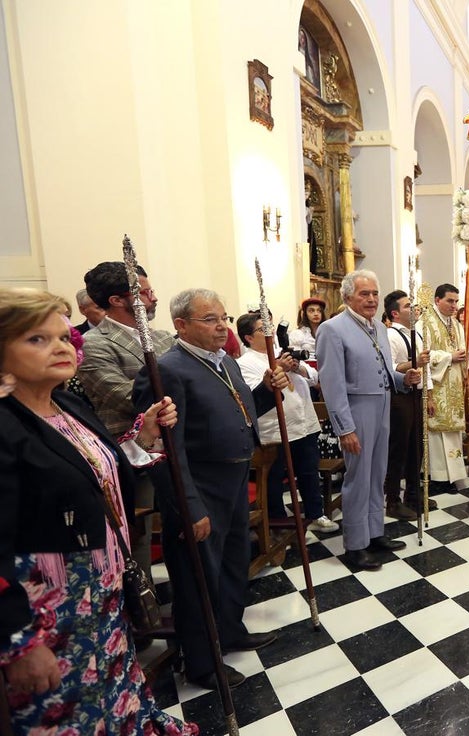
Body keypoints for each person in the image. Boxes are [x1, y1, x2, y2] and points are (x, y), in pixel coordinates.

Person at [0, 288, 194, 734]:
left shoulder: (66, 405)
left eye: (63, 337)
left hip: (100, 589)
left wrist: (142, 437)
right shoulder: (5, 425)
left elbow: (96, 474)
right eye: (36, 339)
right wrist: (19, 642)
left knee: (109, 697)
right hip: (48, 605)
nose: (61, 347)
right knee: (68, 710)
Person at [133, 288, 287, 690]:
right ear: (181, 325)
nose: (222, 326)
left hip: (234, 478)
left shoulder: (224, 362)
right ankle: (201, 662)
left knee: (234, 560)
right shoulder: (168, 369)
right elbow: (166, 449)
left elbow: (241, 412)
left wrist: (268, 390)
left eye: (223, 317)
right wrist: (190, 506)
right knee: (198, 572)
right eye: (210, 319)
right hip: (198, 485)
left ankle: (230, 630)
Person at [79, 261, 176, 592]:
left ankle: (190, 596)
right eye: (145, 293)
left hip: (180, 446)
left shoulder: (163, 338)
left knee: (189, 524)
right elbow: (126, 398)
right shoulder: (95, 343)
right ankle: (144, 608)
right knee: (140, 534)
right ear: (119, 300)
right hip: (136, 452)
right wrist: (174, 396)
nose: (152, 299)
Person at [316, 271, 419, 571]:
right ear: (347, 297)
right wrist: (344, 427)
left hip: (383, 407)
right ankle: (355, 544)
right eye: (364, 294)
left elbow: (385, 371)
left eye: (374, 293)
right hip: (357, 412)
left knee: (378, 474)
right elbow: (332, 383)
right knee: (359, 479)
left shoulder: (378, 327)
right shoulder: (332, 329)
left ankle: (375, 534)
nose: (372, 299)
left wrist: (404, 379)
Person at [235, 313, 338, 534]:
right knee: (273, 479)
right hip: (275, 431)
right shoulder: (244, 363)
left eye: (270, 326)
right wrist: (280, 368)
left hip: (304, 423)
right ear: (248, 337)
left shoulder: (282, 353)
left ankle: (316, 513)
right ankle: (278, 523)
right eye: (263, 328)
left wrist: (296, 367)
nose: (270, 331)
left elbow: (313, 376)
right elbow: (257, 395)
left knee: (309, 471)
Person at [383, 289, 433, 521]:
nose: (413, 309)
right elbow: (389, 369)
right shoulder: (390, 336)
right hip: (400, 397)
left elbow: (426, 369)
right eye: (407, 306)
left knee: (418, 446)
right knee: (399, 449)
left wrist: (429, 395)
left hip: (419, 395)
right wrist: (414, 362)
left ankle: (413, 493)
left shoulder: (417, 334)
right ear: (395, 313)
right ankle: (392, 499)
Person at [418, 284, 469, 491]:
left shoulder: (455, 324)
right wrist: (450, 357)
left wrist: (464, 363)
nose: (454, 305)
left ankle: (453, 475)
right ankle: (437, 478)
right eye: (450, 301)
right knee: (436, 434)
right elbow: (424, 355)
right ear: (437, 300)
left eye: (456, 301)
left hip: (454, 386)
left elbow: (462, 350)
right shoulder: (425, 323)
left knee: (452, 433)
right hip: (436, 388)